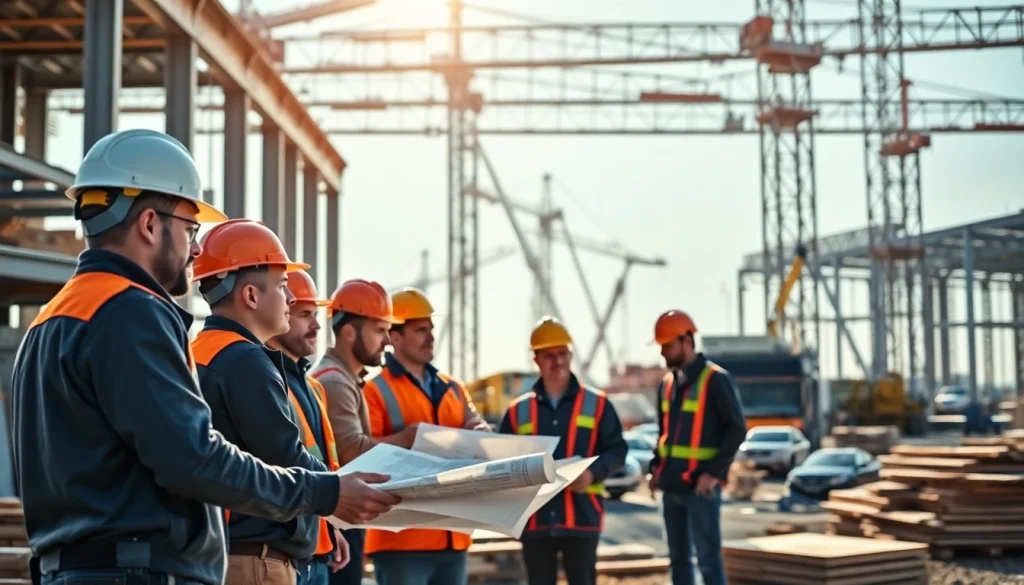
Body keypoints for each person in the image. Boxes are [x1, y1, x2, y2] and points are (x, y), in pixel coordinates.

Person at [10, 128, 399, 585]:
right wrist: (323, 492)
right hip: (136, 571)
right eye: (191, 229)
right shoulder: (131, 311)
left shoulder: (51, 321)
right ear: (150, 224)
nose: (197, 248)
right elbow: (194, 460)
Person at [188, 217, 357, 585]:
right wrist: (346, 493)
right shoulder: (246, 361)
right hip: (256, 562)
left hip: (218, 551)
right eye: (283, 287)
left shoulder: (199, 352)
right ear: (250, 296)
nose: (291, 298)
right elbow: (284, 457)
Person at [362, 287, 491, 585]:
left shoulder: (454, 388)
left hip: (452, 536)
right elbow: (361, 455)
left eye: (431, 328)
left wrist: (482, 432)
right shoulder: (374, 390)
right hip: (401, 541)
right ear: (394, 337)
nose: (430, 336)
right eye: (420, 330)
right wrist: (407, 437)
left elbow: (477, 425)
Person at [498, 317, 627, 585]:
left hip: (582, 518)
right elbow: (502, 462)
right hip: (535, 521)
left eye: (562, 354)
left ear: (570, 355)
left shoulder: (598, 404)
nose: (557, 362)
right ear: (536, 360)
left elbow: (617, 450)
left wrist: (592, 474)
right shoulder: (517, 411)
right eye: (549, 356)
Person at [310, 279, 422, 585]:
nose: (388, 339)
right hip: (337, 517)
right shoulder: (333, 382)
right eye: (378, 330)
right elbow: (352, 451)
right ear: (348, 332)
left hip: (341, 517)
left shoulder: (346, 380)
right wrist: (410, 438)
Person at [647, 310, 746, 585]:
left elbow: (737, 428)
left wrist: (713, 473)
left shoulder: (715, 380)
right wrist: (656, 468)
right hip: (671, 488)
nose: (664, 353)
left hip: (701, 490)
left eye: (668, 345)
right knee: (678, 561)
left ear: (687, 341)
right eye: (662, 347)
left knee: (709, 562)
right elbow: (664, 435)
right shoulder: (666, 385)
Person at [267, 270, 352, 585]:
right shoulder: (266, 380)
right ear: (284, 311)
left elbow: (324, 465)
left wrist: (331, 529)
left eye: (316, 315)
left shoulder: (314, 387)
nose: (317, 325)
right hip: (285, 549)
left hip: (318, 547)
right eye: (305, 315)